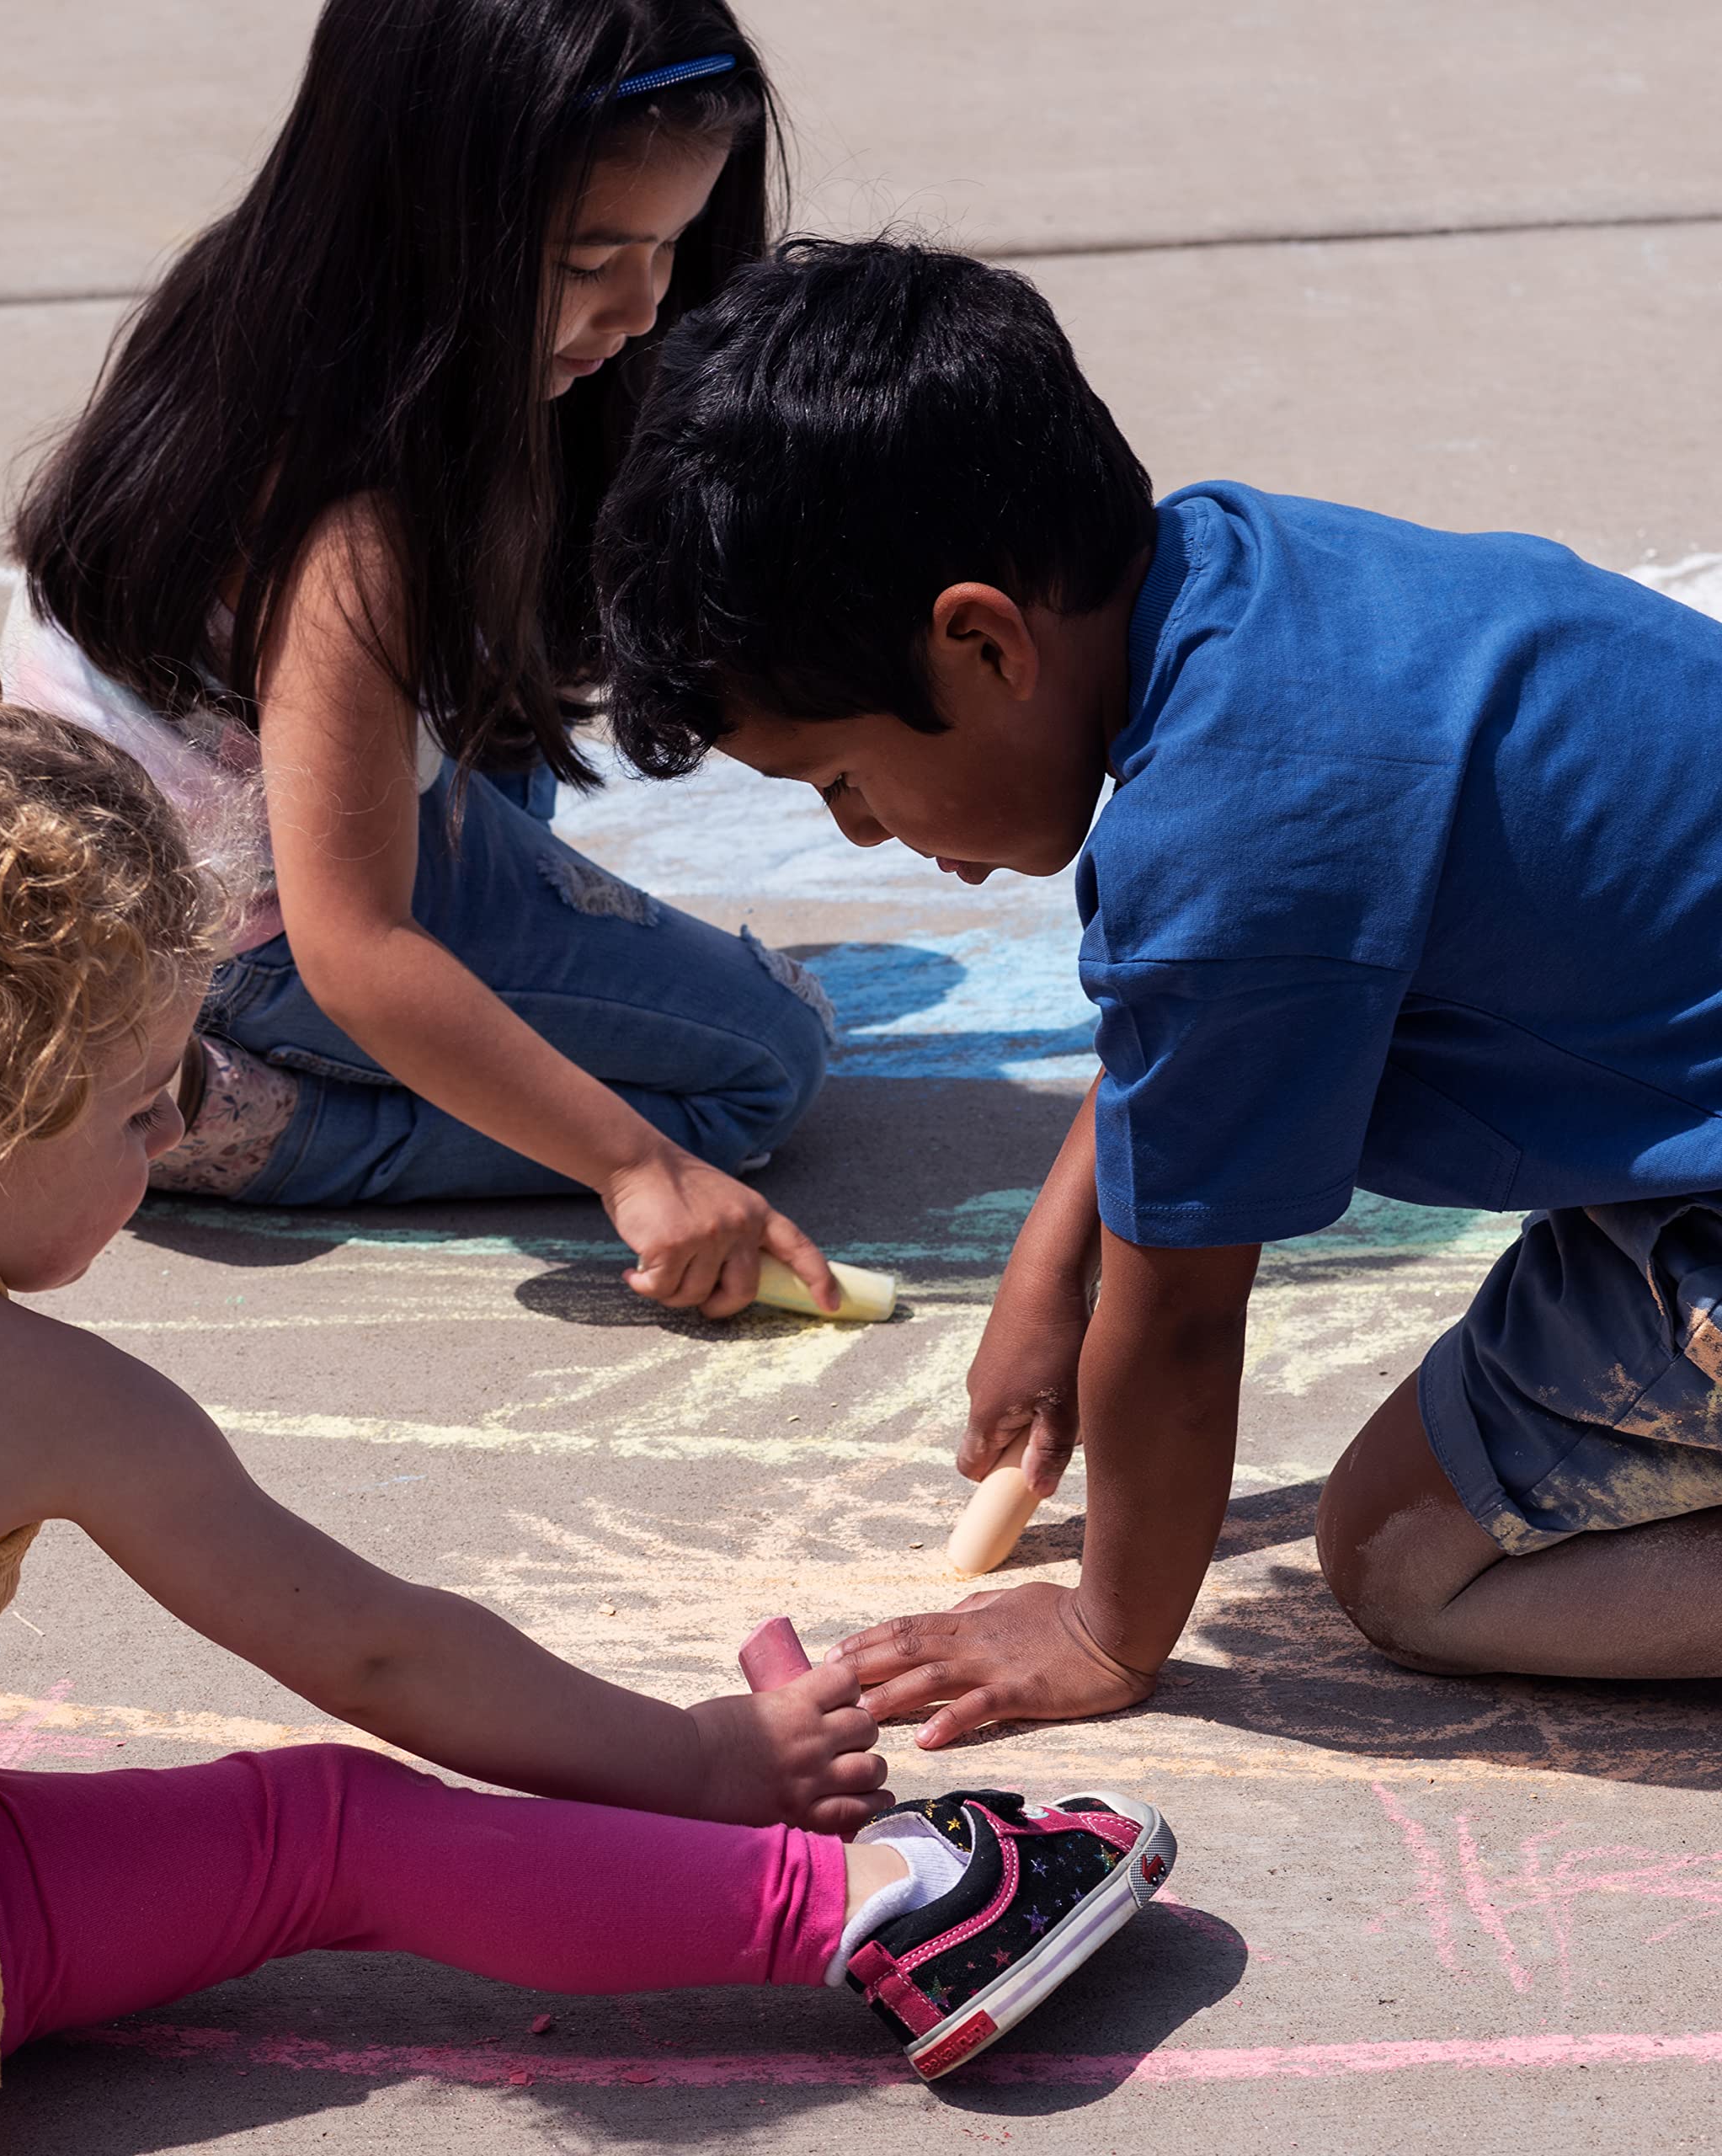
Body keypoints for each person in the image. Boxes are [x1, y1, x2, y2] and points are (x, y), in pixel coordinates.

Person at [0, 595, 1176, 2153]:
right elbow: (387, 1661)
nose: (182, 1133)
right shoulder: (27, 1397)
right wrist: (696, 1760)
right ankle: (899, 1915)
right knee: (330, 1832)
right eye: (145, 1105)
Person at [592, 235, 1722, 1737]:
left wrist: (1107, 1631)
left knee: (1400, 1558)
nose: (863, 829)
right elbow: (1178, 1044)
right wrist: (1049, 1276)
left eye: (847, 779)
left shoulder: (1235, 847)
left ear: (983, 642)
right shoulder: (1246, 580)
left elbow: (1185, 1321)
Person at [3, 0, 839, 1321]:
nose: (642, 304)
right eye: (587, 260)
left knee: (506, 734)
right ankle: (234, 1116)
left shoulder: (275, 298)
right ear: (428, 223)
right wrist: (634, 1165)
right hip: (234, 930)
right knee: (761, 1063)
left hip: (132, 833)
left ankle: (192, 1045)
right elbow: (356, 942)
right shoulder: (357, 521)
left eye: (672, 245)